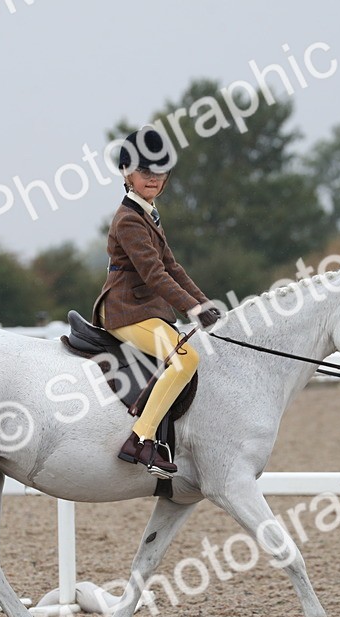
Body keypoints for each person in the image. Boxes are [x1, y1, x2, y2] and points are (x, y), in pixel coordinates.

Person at [92, 126, 221, 478]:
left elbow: (172, 267)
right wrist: (191, 308)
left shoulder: (148, 213)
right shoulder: (129, 220)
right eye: (145, 171)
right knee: (185, 359)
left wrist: (203, 302)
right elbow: (153, 274)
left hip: (145, 309)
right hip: (124, 310)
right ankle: (140, 439)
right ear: (126, 173)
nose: (153, 178)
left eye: (159, 172)